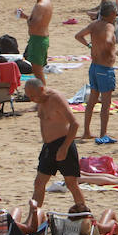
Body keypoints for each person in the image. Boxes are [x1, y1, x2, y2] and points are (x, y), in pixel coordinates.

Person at [25, 78, 84, 207]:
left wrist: (64, 147)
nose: (31, 99)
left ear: (41, 89)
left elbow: (75, 124)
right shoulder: (40, 99)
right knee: (39, 183)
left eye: (32, 96)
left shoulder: (56, 99)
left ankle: (84, 214)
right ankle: (34, 218)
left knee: (71, 184)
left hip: (63, 143)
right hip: (48, 146)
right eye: (29, 96)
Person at [76, 1, 118, 142]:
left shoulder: (94, 25)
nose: (117, 15)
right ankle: (103, 134)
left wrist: (90, 45)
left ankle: (87, 131)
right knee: (106, 104)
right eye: (115, 12)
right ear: (110, 14)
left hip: (94, 67)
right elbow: (107, 38)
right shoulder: (109, 26)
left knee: (92, 101)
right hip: (104, 68)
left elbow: (78, 35)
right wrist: (110, 47)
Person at [18, 0, 52, 84]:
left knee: (37, 72)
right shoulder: (46, 1)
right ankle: (41, 92)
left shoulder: (40, 6)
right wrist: (25, 16)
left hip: (38, 40)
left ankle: (42, 93)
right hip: (42, 38)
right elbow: (38, 21)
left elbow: (34, 25)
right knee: (38, 71)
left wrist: (28, 20)